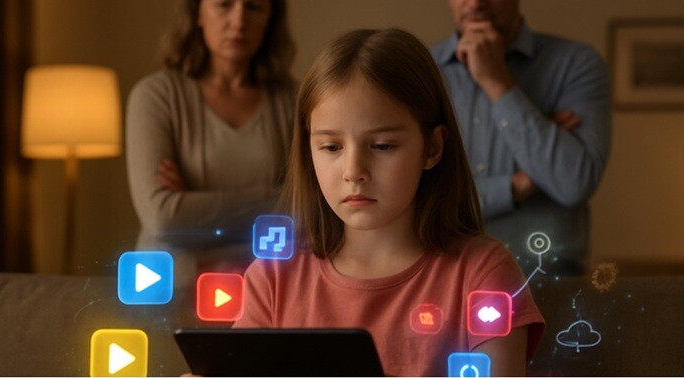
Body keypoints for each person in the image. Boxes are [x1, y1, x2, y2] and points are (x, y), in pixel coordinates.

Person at [234, 28, 544, 377]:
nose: (354, 171)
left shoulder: (482, 273)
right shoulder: (273, 279)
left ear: (433, 148)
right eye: (331, 147)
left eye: (383, 146)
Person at [431, 0, 612, 276]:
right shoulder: (422, 71)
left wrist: (497, 82)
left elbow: (573, 183)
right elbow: (417, 199)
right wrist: (518, 185)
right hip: (444, 278)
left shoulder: (576, 64)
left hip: (548, 280)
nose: (476, 3)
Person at [125, 0, 295, 277]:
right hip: (168, 283)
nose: (239, 22)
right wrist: (275, 199)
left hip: (263, 284)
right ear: (198, 13)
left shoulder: (293, 102)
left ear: (270, 18)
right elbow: (163, 218)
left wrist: (192, 203)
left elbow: (309, 210)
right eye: (224, 5)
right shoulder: (155, 96)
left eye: (253, 7)